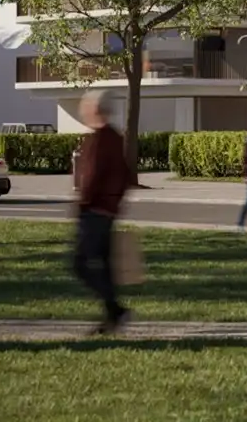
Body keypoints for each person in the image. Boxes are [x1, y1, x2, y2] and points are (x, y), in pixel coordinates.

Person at [72, 90, 136, 334]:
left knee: (81, 264)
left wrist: (84, 203)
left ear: (95, 110)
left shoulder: (101, 139)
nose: (84, 111)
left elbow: (92, 176)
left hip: (95, 211)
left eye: (86, 107)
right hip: (106, 211)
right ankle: (113, 315)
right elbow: (125, 176)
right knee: (104, 267)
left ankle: (115, 310)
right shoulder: (113, 138)